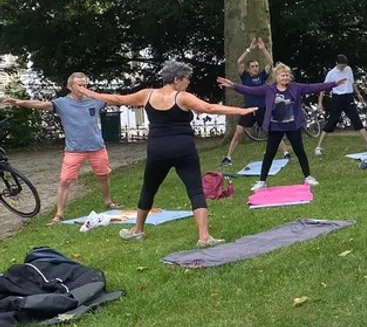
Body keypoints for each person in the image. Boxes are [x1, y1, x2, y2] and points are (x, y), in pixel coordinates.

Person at [81, 61, 257, 246]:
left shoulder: (147, 95)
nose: (188, 83)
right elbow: (209, 108)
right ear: (176, 79)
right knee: (195, 190)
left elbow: (118, 99)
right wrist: (241, 110)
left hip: (158, 149)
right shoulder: (182, 97)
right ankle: (204, 237)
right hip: (184, 148)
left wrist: (91, 93)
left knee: (149, 188)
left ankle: (138, 230)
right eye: (186, 79)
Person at [3, 72, 119, 225]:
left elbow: (117, 99)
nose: (82, 88)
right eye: (79, 85)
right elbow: (40, 104)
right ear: (69, 87)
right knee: (65, 181)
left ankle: (108, 202)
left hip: (97, 148)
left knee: (103, 175)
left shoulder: (95, 101)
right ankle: (59, 215)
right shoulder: (62, 103)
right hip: (74, 150)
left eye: (84, 85)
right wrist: (19, 102)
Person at [218, 63, 343, 191]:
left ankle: (308, 177)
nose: (285, 78)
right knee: (269, 154)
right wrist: (232, 85)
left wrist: (333, 84)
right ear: (276, 77)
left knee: (300, 151)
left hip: (293, 126)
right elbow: (250, 90)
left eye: (287, 75)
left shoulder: (296, 88)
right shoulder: (268, 89)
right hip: (275, 127)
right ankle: (262, 181)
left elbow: (313, 87)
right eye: (282, 75)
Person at [220, 37, 289, 166]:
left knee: (272, 130)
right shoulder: (244, 76)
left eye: (256, 66)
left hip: (262, 108)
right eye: (252, 66)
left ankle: (286, 153)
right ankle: (228, 157)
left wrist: (263, 50)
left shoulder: (262, 75)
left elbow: (270, 63)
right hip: (248, 109)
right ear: (248, 68)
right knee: (238, 132)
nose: (255, 68)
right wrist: (249, 49)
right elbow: (239, 61)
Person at [315, 55, 367, 156]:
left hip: (348, 97)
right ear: (336, 63)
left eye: (345, 66)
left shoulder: (348, 69)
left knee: (356, 119)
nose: (343, 68)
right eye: (342, 66)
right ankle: (318, 147)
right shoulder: (331, 74)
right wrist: (320, 103)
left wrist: (358, 94)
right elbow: (323, 88)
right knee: (331, 121)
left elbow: (352, 82)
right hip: (337, 98)